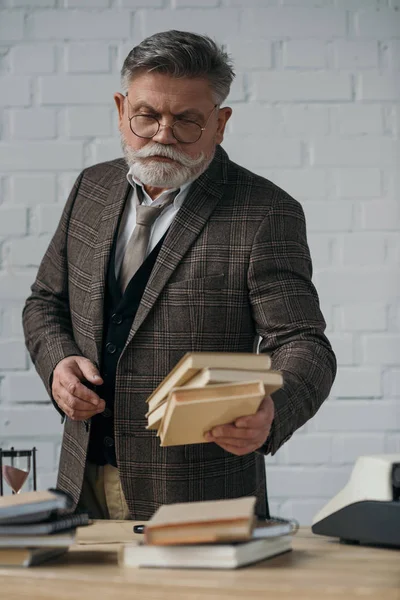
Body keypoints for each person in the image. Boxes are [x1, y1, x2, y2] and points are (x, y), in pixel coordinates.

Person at [23, 30, 336, 521]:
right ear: (121, 108)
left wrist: (272, 408)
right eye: (147, 115)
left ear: (220, 122)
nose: (163, 135)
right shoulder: (92, 187)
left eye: (187, 120)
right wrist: (59, 363)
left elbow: (303, 342)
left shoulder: (265, 212)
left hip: (198, 496)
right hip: (78, 482)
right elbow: (45, 302)